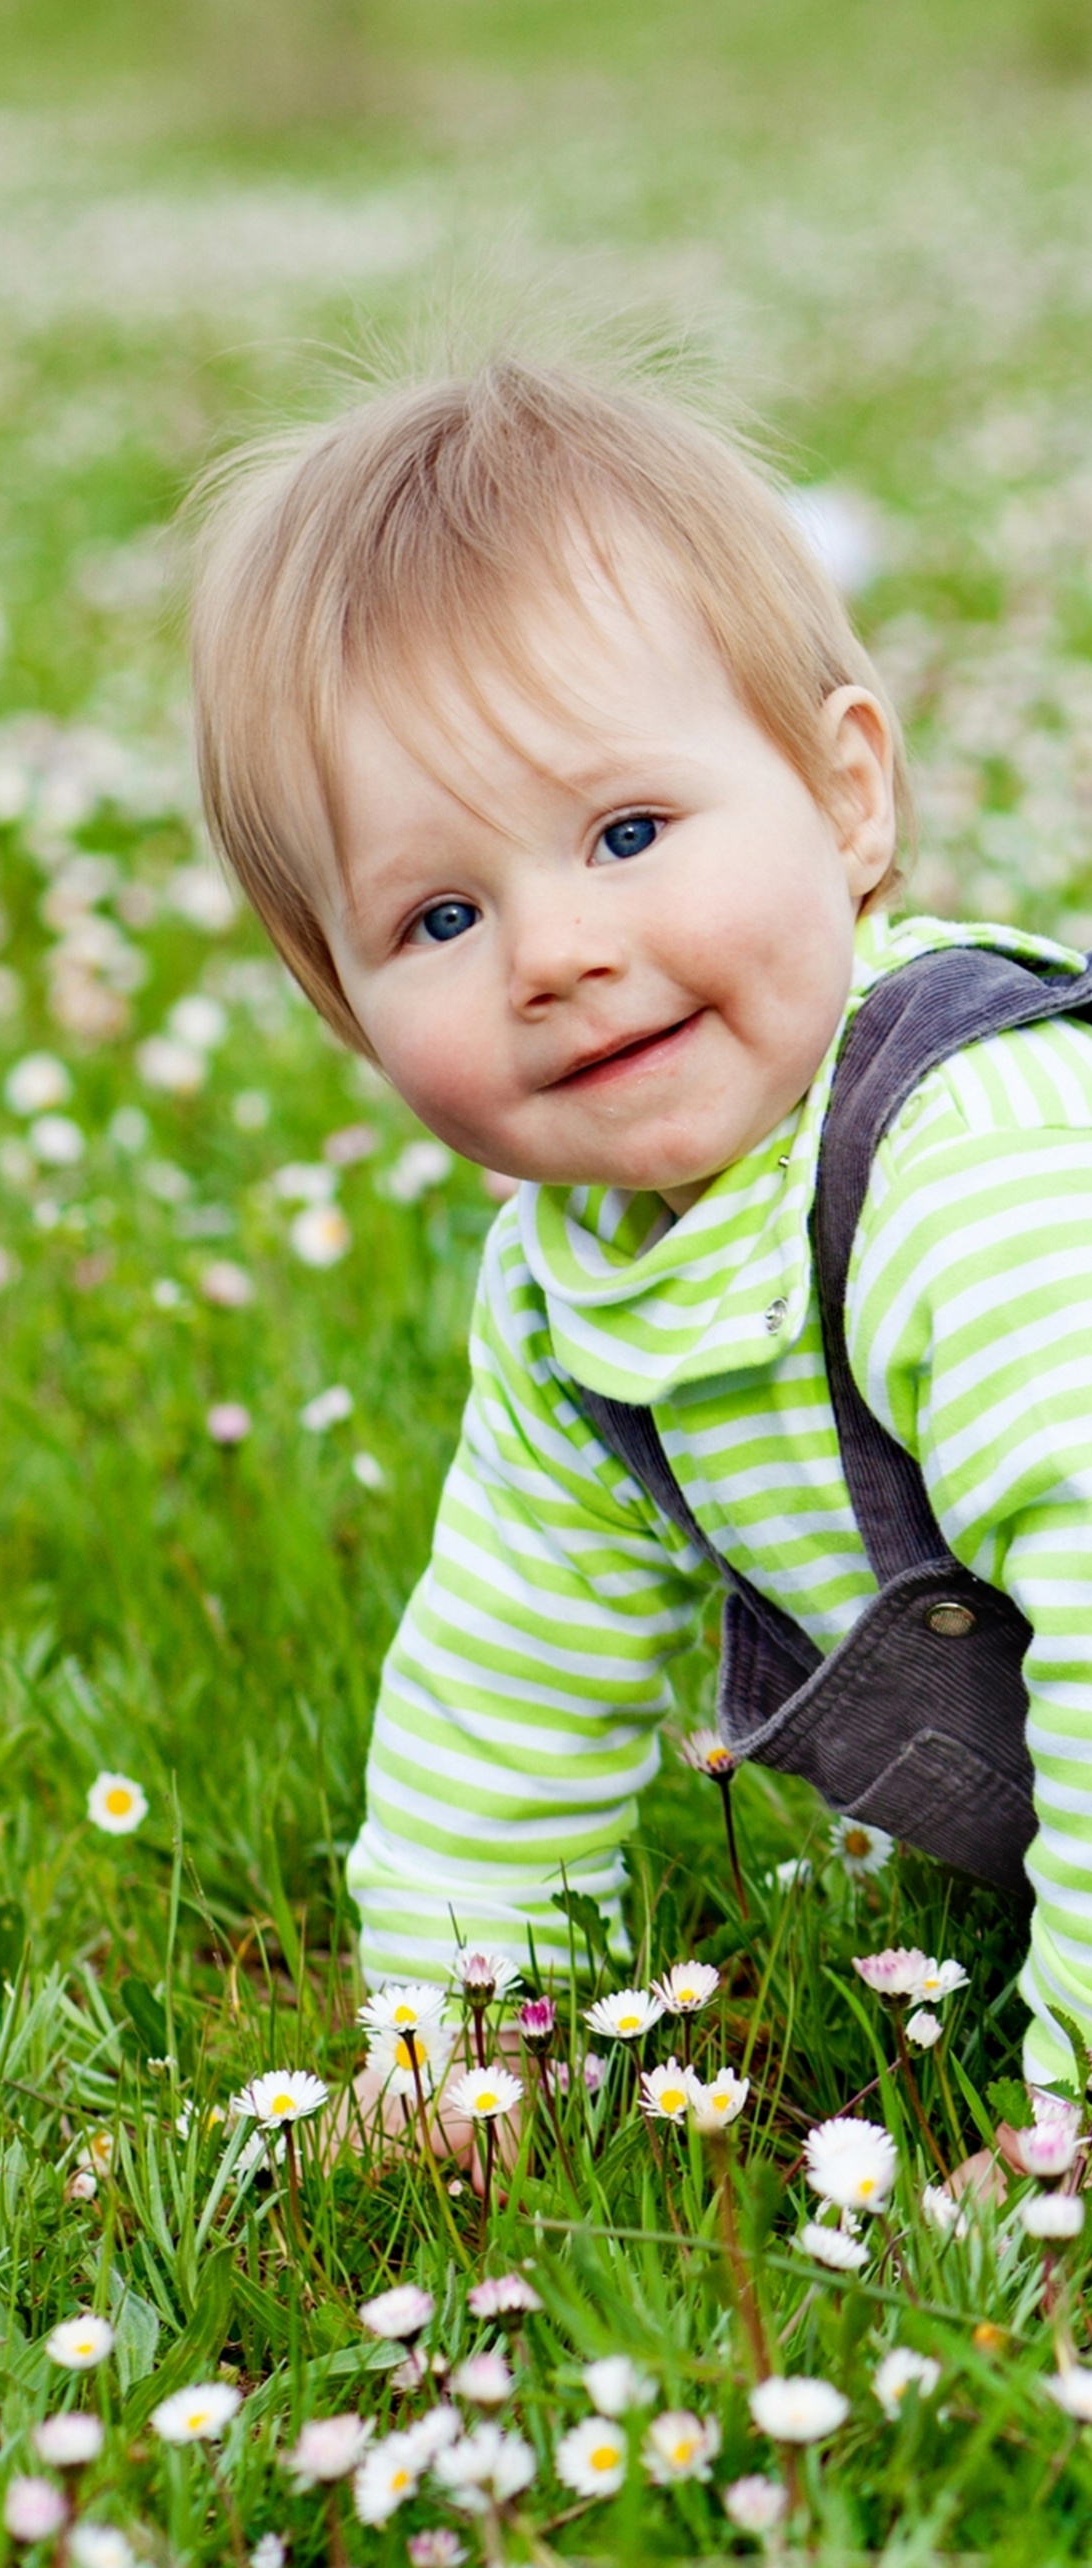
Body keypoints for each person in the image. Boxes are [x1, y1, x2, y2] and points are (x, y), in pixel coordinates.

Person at [190, 356, 1092, 2122]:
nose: (551, 951)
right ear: (344, 1007)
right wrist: (451, 2052)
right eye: (438, 913)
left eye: (624, 831)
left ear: (845, 801)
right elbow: (503, 1686)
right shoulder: (575, 1287)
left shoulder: (974, 1181)